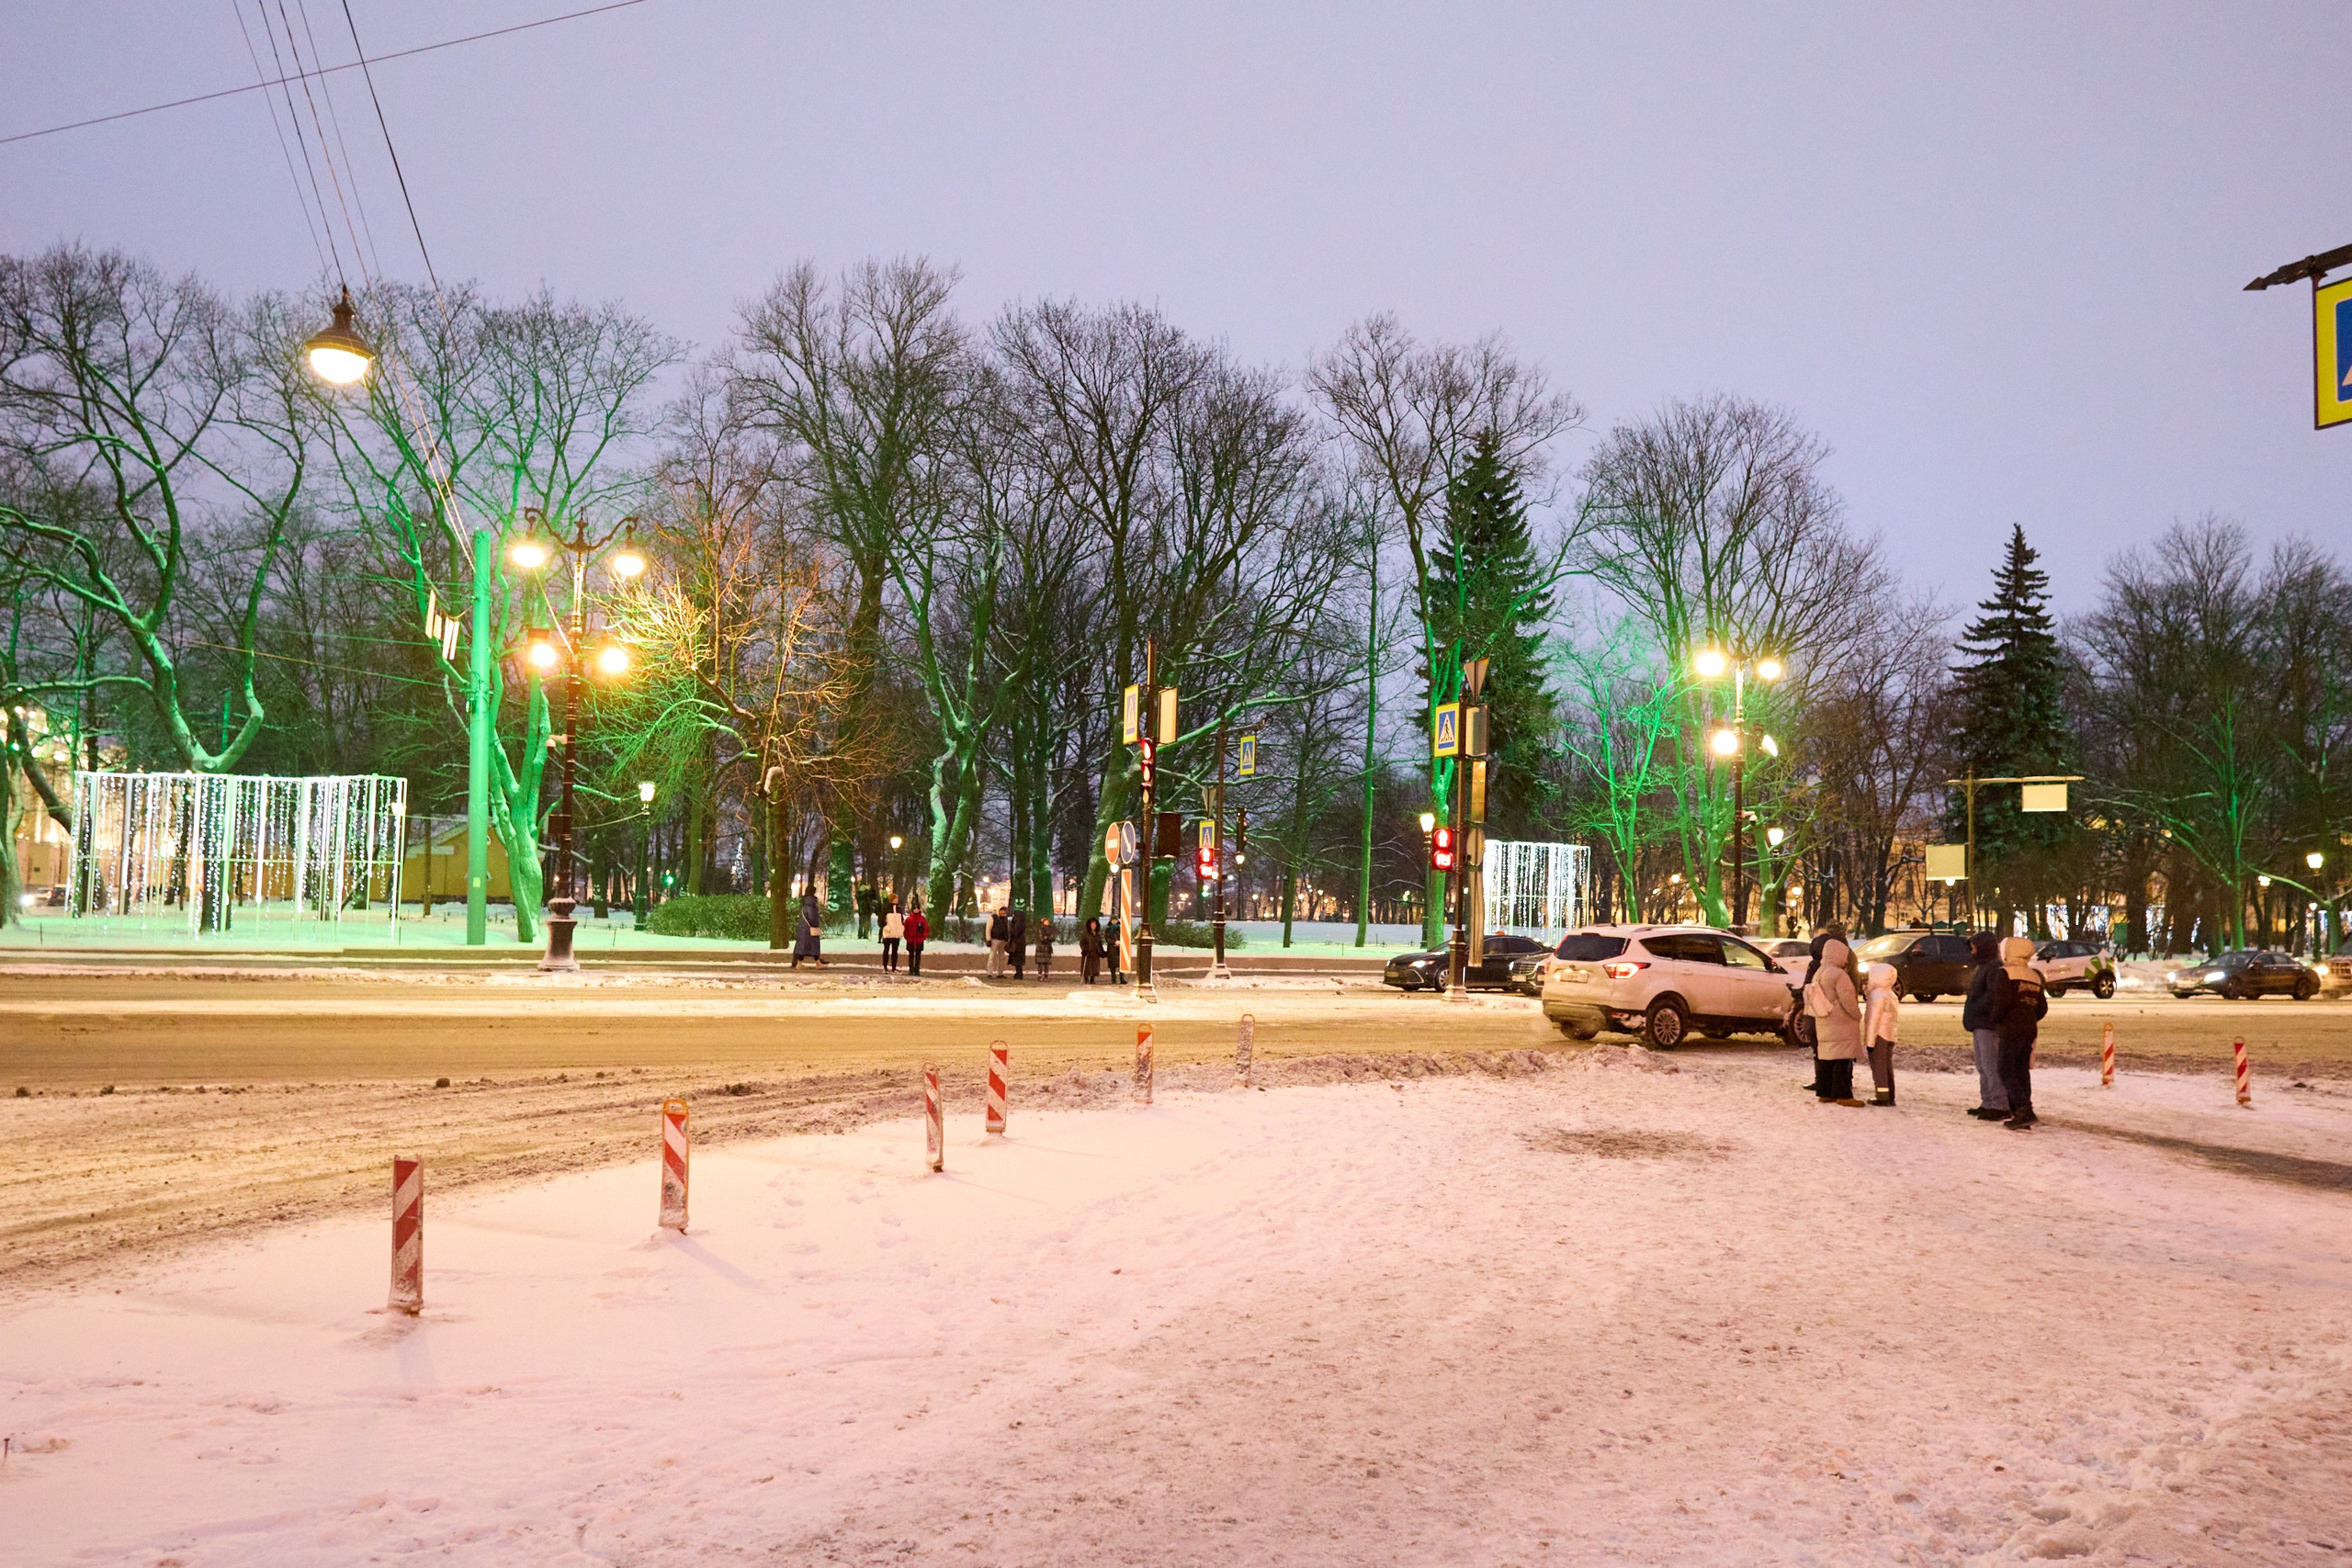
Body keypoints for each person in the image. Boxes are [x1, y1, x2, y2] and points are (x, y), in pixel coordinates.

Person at [1990, 935, 2048, 1130]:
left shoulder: (2005, 974)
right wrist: (2029, 1017)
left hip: (2010, 1028)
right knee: (2021, 1070)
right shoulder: (2034, 975)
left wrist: (1996, 1019)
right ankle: (2022, 1111)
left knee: (2005, 1069)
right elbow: (2042, 1008)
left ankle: (2023, 1110)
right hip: (2029, 1028)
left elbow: (2000, 1004)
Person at [1805, 934, 1865, 1105]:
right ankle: (1843, 1095)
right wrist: (1857, 1015)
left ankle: (1825, 1092)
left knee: (1827, 1058)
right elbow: (1848, 1000)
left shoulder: (1819, 972)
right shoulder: (1838, 975)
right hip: (1841, 1023)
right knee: (1842, 1059)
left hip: (1824, 1020)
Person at [1960, 930, 2007, 1121]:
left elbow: (1992, 995)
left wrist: (1976, 1008)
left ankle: (1999, 1104)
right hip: (1980, 1022)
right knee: (1982, 1065)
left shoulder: (1994, 968)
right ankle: (1988, 1101)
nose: (1972, 952)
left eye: (1975, 948)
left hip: (1987, 1023)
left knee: (1990, 1065)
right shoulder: (1985, 966)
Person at [1863, 961, 1900, 1106]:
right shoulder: (1890, 994)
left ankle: (1882, 1095)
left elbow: (1873, 1020)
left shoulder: (1877, 995)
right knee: (1886, 1065)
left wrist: (1870, 1042)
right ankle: (1890, 1094)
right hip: (1890, 1034)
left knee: (1878, 1066)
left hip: (1879, 1035)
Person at [791, 891, 825, 969]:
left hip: (803, 930)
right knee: (814, 947)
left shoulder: (804, 906)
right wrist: (817, 925)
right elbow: (812, 918)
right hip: (809, 931)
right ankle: (818, 963)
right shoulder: (811, 907)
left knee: (803, 948)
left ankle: (799, 964)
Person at [903, 902, 928, 976]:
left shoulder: (922, 919)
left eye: (917, 908)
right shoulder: (909, 919)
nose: (916, 910)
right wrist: (907, 937)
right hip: (911, 940)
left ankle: (917, 969)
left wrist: (923, 936)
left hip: (919, 939)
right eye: (915, 908)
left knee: (918, 956)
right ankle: (911, 969)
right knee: (911, 955)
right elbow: (905, 929)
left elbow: (926, 929)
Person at [879, 898, 904, 973]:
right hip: (888, 933)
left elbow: (901, 920)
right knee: (886, 950)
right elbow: (881, 920)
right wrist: (885, 927)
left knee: (895, 951)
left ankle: (894, 967)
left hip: (896, 933)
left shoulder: (899, 909)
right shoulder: (886, 908)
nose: (897, 900)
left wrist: (901, 927)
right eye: (896, 898)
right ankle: (885, 967)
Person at [986, 903, 1010, 978]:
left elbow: (1006, 929)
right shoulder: (992, 918)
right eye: (1001, 910)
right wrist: (988, 939)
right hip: (994, 939)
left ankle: (1000, 973)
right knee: (992, 957)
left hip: (1003, 940)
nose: (1003, 912)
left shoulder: (1005, 918)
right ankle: (990, 973)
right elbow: (988, 929)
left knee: (1001, 957)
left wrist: (1006, 938)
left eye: (1004, 910)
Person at [1080, 916, 1105, 984]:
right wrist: (1084, 950)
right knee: (1087, 967)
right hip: (1088, 953)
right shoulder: (1085, 935)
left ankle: (1092, 979)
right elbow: (1082, 943)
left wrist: (1102, 952)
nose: (1094, 926)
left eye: (1095, 924)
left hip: (1095, 953)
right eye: (1092, 924)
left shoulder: (1097, 935)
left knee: (1094, 967)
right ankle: (1086, 979)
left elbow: (1100, 944)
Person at [1008, 904, 1030, 980]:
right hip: (1020, 943)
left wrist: (1011, 930)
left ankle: (1019, 973)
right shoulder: (1022, 922)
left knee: (1017, 959)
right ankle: (1019, 973)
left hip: (1017, 943)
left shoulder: (1017, 924)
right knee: (1019, 959)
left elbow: (1014, 932)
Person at [1034, 912, 1055, 979]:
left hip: (1047, 948)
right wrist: (1048, 938)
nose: (1048, 922)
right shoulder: (1041, 929)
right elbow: (1042, 938)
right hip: (1041, 948)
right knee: (1041, 963)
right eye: (1046, 921)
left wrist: (1047, 938)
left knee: (1046, 963)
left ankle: (1046, 975)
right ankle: (1039, 975)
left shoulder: (1050, 929)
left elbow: (1053, 938)